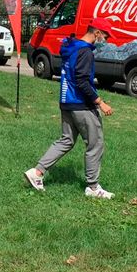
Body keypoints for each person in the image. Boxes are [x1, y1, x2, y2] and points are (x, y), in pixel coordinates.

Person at [24, 18, 116, 198]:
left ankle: (37, 173)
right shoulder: (85, 52)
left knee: (66, 141)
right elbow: (82, 80)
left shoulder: (71, 48)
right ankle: (93, 187)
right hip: (82, 105)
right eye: (105, 35)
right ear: (96, 32)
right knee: (95, 144)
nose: (105, 39)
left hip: (66, 101)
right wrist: (100, 102)